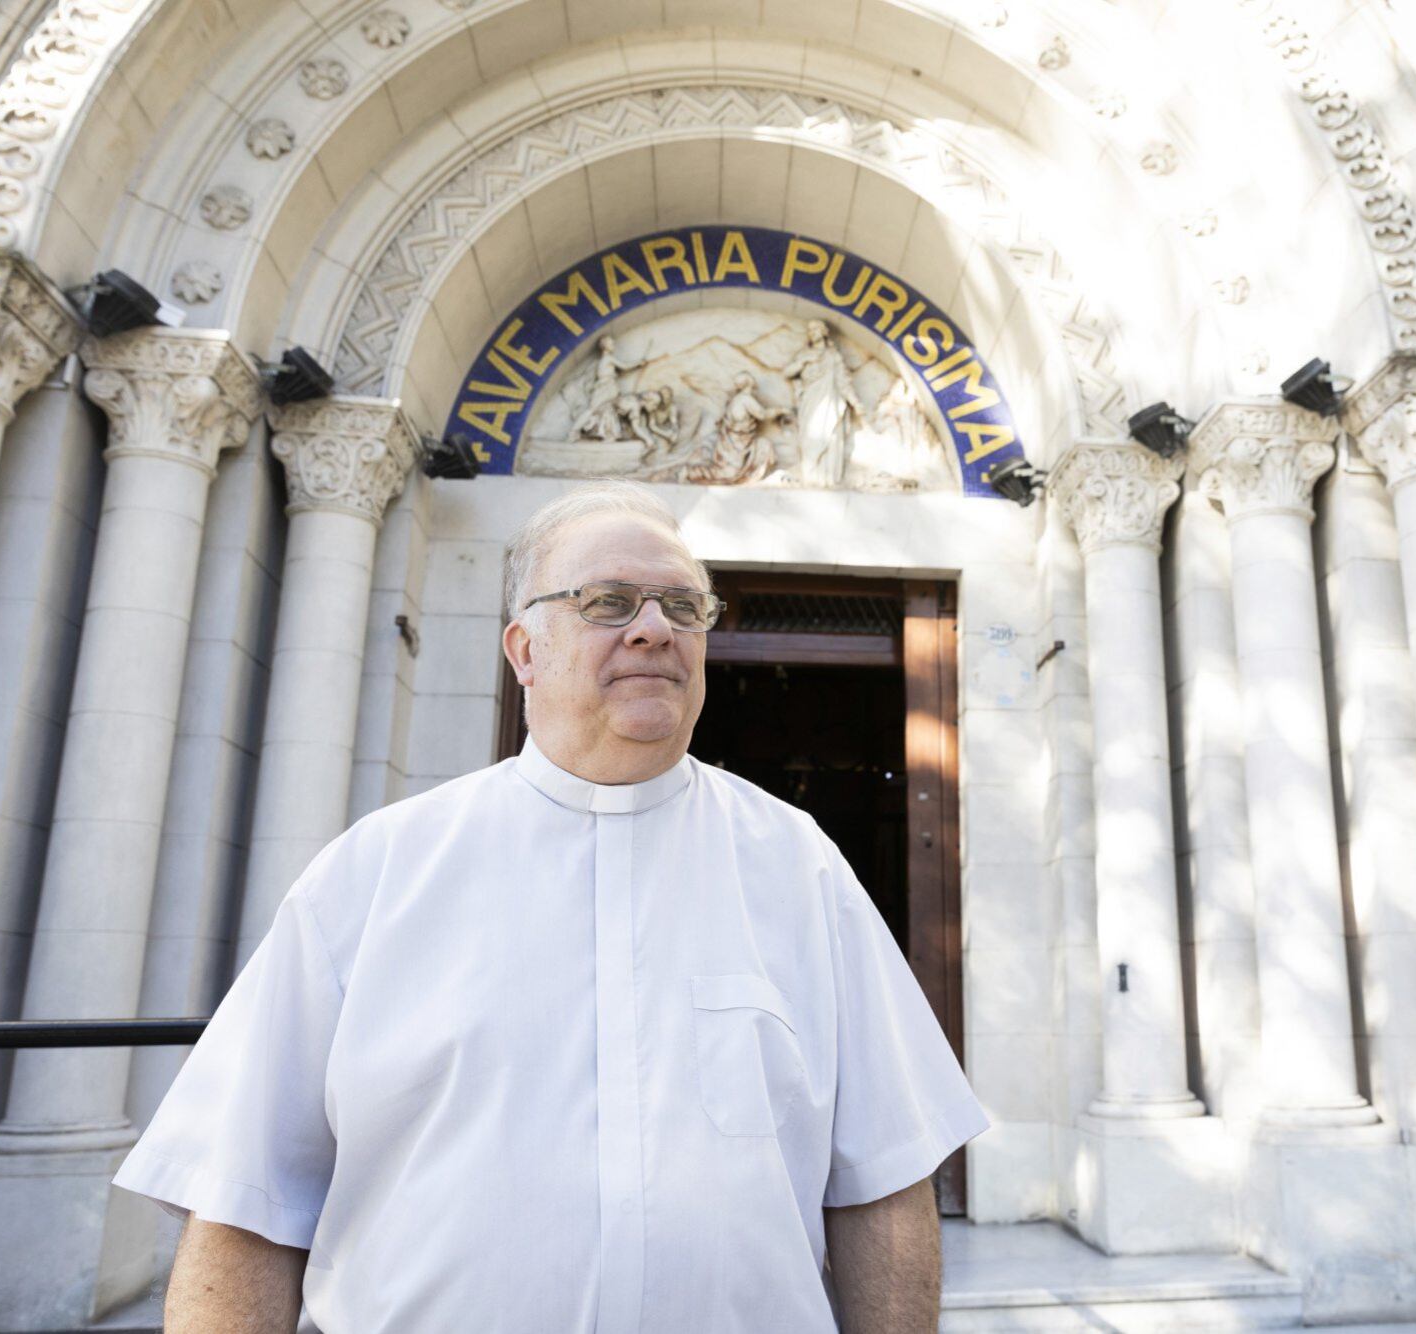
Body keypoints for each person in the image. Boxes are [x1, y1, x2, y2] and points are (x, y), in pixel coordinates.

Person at [113, 480, 988, 1332]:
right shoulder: (375, 876)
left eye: (683, 608)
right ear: (523, 650)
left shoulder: (801, 869)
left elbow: (883, 1183)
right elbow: (245, 1207)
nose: (654, 629)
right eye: (608, 601)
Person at [782, 319, 865, 488]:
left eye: (815, 330)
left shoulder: (833, 356)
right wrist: (804, 362)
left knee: (831, 435)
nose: (812, 333)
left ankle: (829, 479)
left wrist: (855, 402)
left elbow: (843, 381)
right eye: (810, 331)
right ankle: (811, 476)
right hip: (810, 401)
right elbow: (787, 372)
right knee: (810, 437)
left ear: (823, 333)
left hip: (830, 400)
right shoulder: (804, 354)